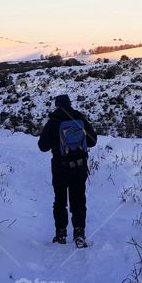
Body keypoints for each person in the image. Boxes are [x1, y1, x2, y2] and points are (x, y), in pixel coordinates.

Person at [38, 94, 97, 248]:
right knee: (78, 200)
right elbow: (93, 141)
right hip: (79, 168)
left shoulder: (53, 122)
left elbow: (42, 146)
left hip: (60, 168)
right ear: (70, 104)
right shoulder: (80, 119)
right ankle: (79, 232)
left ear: (57, 105)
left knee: (60, 201)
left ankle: (61, 233)